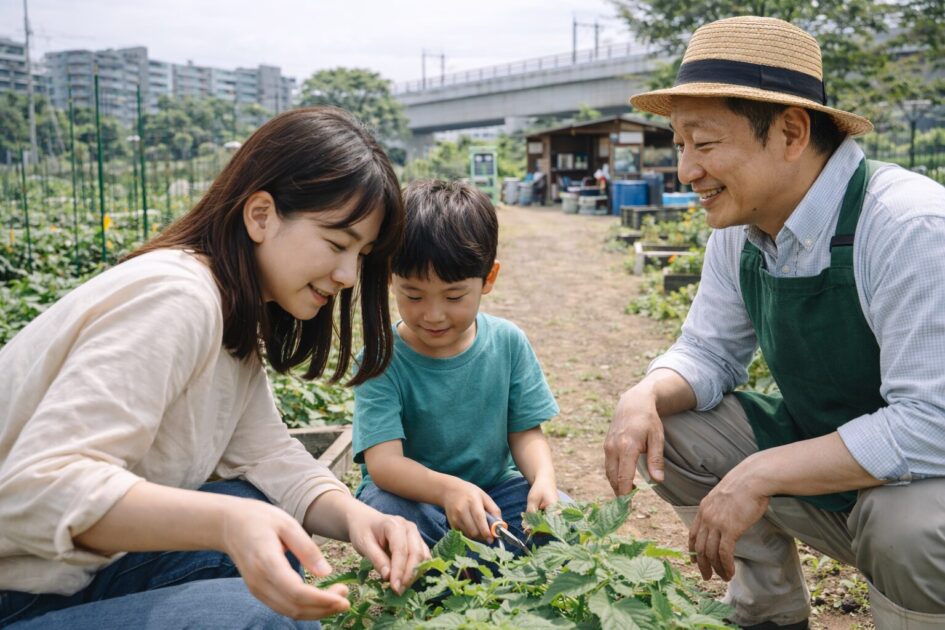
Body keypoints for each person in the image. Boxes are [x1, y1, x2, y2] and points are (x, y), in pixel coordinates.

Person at [0, 107, 430, 629]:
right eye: (338, 244)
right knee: (260, 615)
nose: (347, 275)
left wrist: (360, 517)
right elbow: (37, 490)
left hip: (59, 573)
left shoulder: (230, 314)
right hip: (16, 585)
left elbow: (268, 455)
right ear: (261, 216)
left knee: (265, 522)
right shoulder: (176, 298)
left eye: (361, 255)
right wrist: (228, 522)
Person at [603, 16, 945, 630]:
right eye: (680, 145)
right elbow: (708, 352)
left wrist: (760, 474)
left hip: (923, 492)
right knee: (669, 427)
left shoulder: (908, 226)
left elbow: (931, 424)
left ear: (791, 132)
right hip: (840, 476)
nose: (686, 170)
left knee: (907, 525)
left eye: (704, 144)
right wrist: (646, 392)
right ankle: (768, 613)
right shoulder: (743, 229)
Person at [352, 180, 561, 553]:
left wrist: (543, 478)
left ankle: (466, 561)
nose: (433, 314)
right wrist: (448, 490)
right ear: (390, 278)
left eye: (453, 296)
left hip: (494, 492)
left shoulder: (508, 342)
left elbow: (525, 433)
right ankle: (476, 560)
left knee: (562, 519)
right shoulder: (380, 358)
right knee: (386, 514)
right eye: (413, 295)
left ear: (488, 279)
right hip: (414, 499)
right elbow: (383, 464)